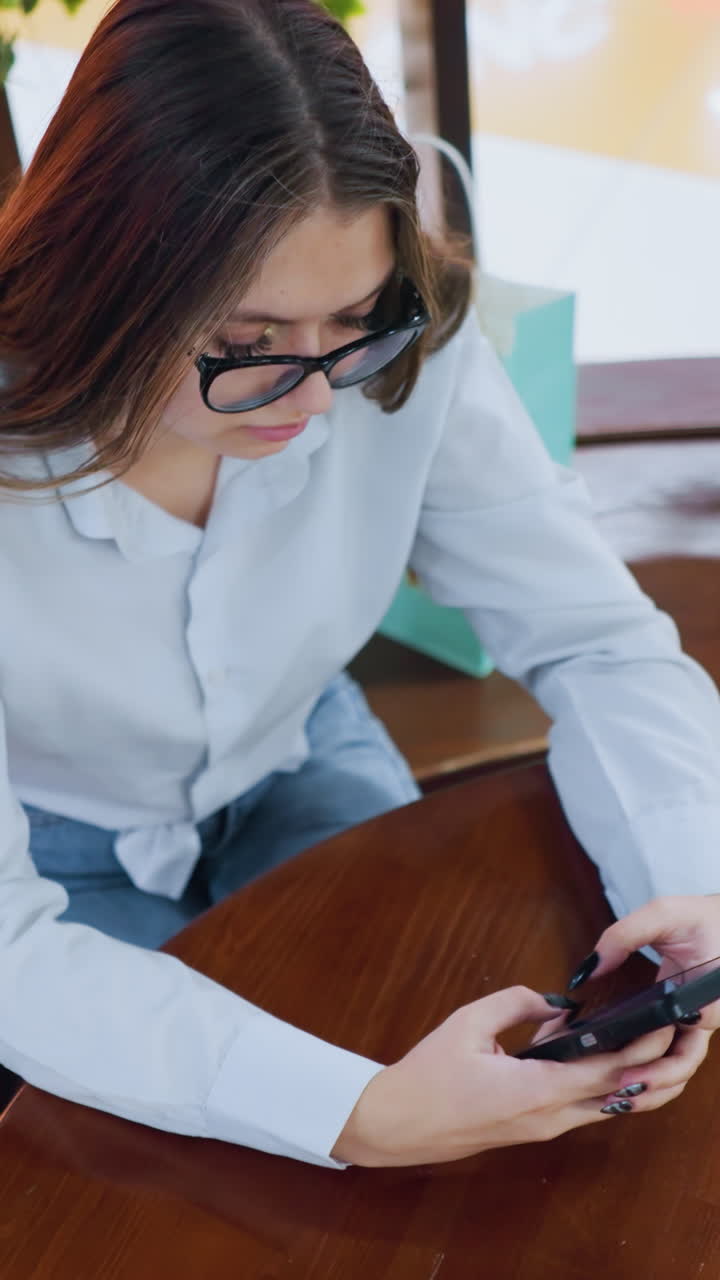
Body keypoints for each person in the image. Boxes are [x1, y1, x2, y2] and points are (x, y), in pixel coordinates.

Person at [0, 0, 719, 1171]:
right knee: (173, 1165)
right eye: (248, 343)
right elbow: (12, 949)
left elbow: (597, 639)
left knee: (441, 1038)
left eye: (353, 321)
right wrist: (362, 1115)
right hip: (46, 849)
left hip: (296, 750)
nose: (315, 397)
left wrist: (691, 884)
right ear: (101, 280)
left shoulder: (404, 349)